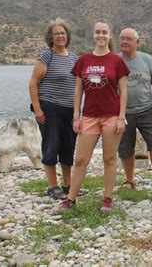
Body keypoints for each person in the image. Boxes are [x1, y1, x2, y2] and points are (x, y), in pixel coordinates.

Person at [60, 19, 129, 212]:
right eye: (97, 32)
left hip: (112, 116)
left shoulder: (117, 60)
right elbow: (78, 90)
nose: (101, 35)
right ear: (93, 34)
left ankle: (107, 198)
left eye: (104, 32)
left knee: (109, 159)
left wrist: (122, 117)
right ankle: (70, 199)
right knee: (81, 159)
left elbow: (123, 91)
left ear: (109, 35)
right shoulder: (84, 60)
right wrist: (76, 116)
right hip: (89, 116)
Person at [29, 18, 77, 200]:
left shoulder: (73, 57)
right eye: (56, 33)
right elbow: (33, 83)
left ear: (68, 36)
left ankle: (68, 184)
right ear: (51, 37)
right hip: (50, 108)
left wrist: (77, 112)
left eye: (63, 33)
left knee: (67, 146)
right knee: (51, 145)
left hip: (70, 110)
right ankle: (52, 186)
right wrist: (38, 109)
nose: (60, 36)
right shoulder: (46, 55)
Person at [117, 28, 152, 191]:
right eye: (122, 38)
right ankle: (129, 180)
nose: (124, 41)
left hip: (147, 110)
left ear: (137, 42)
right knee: (126, 148)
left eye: (128, 39)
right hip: (123, 113)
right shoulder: (115, 60)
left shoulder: (147, 59)